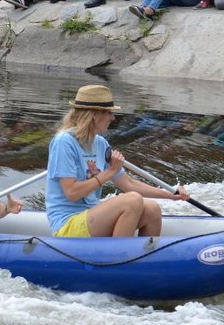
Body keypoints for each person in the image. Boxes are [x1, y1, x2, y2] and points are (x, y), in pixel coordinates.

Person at [45, 84, 188, 238]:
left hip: (91, 215)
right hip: (68, 224)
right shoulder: (64, 142)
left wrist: (170, 194)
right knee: (132, 200)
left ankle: (144, 258)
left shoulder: (100, 143)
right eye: (109, 113)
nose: (112, 118)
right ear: (94, 115)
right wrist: (110, 171)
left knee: (152, 209)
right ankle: (118, 257)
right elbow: (72, 193)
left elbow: (128, 184)